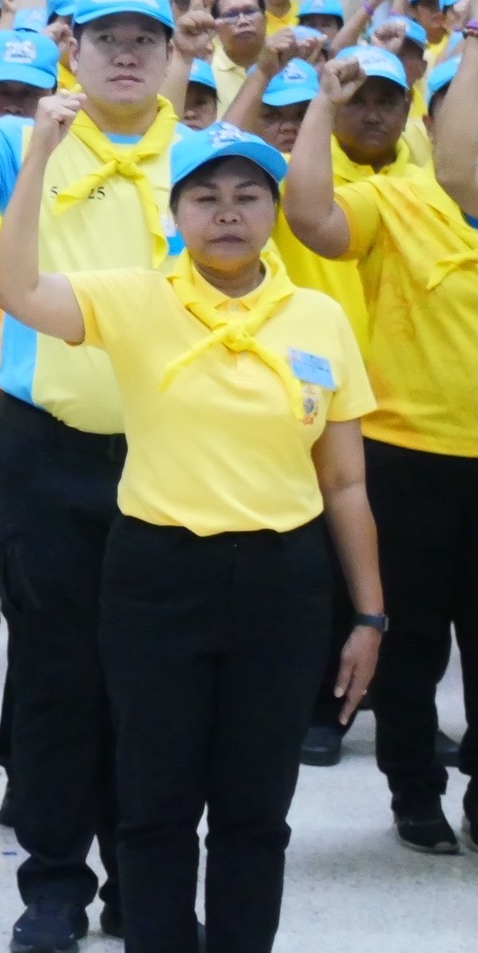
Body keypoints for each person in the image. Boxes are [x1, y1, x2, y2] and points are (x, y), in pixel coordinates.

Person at [0, 112, 385, 953]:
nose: (227, 212)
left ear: (273, 210)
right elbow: (15, 290)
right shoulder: (136, 298)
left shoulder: (317, 317)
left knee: (255, 812)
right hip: (156, 580)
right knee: (155, 806)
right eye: (204, 197)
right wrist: (36, 163)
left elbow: (344, 483)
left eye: (248, 195)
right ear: (174, 215)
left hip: (283, 586)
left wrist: (368, 615)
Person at [0, 0, 212, 952]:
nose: (125, 54)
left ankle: (144, 881)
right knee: (57, 677)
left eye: (143, 39)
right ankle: (55, 882)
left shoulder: (209, 159)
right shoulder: (32, 139)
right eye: (106, 38)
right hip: (47, 454)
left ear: (170, 54)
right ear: (73, 48)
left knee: (158, 686)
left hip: (170, 457)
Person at [283, 49, 478, 855]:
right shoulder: (395, 200)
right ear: (432, 128)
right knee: (409, 644)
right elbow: (308, 219)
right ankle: (413, 791)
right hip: (406, 461)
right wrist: (319, 109)